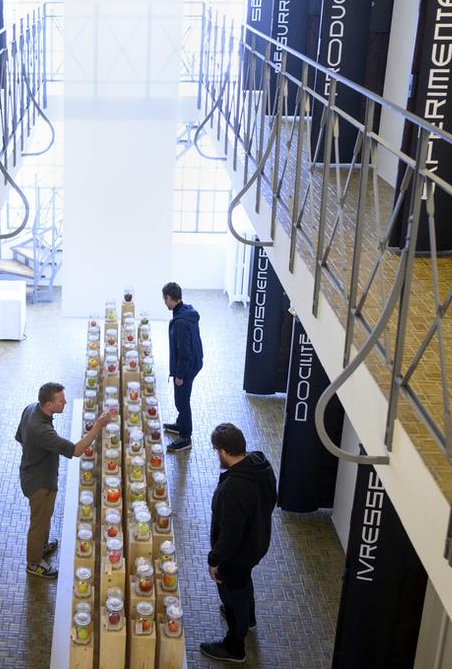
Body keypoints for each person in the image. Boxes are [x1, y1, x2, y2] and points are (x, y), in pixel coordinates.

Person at [16, 381, 117, 578]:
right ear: (49, 404)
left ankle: (42, 547)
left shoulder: (31, 409)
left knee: (46, 517)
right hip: (39, 483)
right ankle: (34, 563)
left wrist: (36, 453)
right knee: (39, 523)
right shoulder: (42, 431)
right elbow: (77, 450)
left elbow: (20, 437)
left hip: (32, 473)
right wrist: (97, 426)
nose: (65, 403)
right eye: (61, 401)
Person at [201, 422, 277, 663]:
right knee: (244, 582)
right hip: (258, 542)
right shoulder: (260, 464)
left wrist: (214, 560)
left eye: (216, 451)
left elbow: (230, 536)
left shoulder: (233, 489)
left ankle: (235, 645)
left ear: (223, 452)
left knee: (233, 593)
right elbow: (271, 500)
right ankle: (249, 618)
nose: (217, 456)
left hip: (237, 554)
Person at [161, 281, 203, 452]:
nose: (164, 303)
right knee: (182, 399)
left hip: (187, 366)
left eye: (165, 299)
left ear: (169, 298)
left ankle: (185, 436)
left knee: (182, 401)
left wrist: (179, 376)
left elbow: (184, 352)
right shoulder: (186, 311)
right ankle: (180, 424)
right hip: (194, 362)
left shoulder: (180, 322)